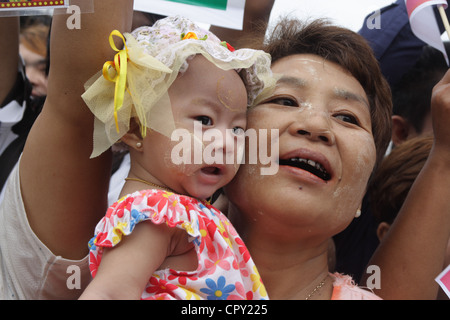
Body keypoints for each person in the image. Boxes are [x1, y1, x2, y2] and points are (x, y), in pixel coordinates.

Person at [1, 0, 450, 300]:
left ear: (361, 199)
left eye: (348, 118)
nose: (315, 126)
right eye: (284, 100)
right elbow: (81, 100)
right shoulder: (137, 229)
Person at [78, 15, 273, 300]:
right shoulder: (155, 215)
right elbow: (110, 294)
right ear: (135, 129)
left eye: (237, 129)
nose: (226, 142)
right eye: (204, 120)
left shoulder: (186, 211)